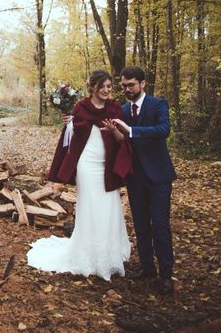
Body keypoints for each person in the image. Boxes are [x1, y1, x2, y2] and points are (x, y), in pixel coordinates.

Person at [27, 70, 133, 281]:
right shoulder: (81, 107)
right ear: (93, 87)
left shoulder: (114, 109)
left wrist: (113, 130)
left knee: (109, 205)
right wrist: (68, 125)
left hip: (106, 165)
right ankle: (88, 254)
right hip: (86, 164)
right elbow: (71, 136)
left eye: (109, 87)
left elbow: (122, 140)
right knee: (90, 205)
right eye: (102, 86)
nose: (106, 90)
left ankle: (108, 252)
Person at [112, 66, 176, 295]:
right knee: (140, 224)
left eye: (131, 85)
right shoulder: (122, 109)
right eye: (124, 86)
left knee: (160, 225)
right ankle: (147, 267)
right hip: (135, 176)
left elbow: (163, 130)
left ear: (143, 84)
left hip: (159, 176)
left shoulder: (158, 104)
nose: (127, 90)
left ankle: (166, 274)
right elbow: (120, 139)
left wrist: (133, 130)